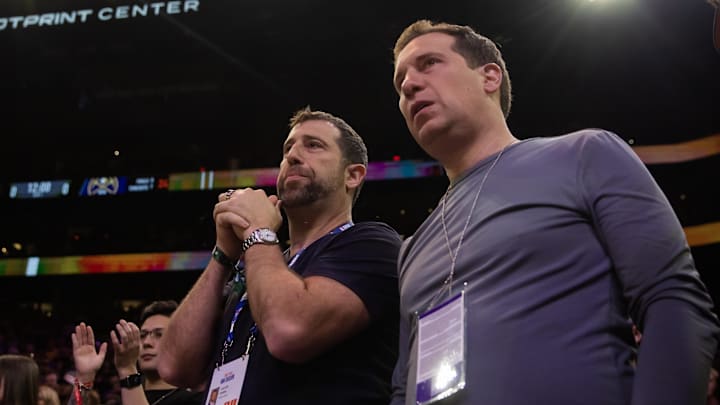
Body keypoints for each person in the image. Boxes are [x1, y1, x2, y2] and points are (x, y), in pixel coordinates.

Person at [390, 19, 719, 405]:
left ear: (490, 77)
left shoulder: (583, 154)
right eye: (400, 82)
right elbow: (403, 386)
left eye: (429, 63)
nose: (409, 84)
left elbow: (671, 297)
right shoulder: (411, 249)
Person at [158, 108, 402, 404]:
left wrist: (258, 231)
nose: (293, 156)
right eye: (288, 148)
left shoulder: (372, 243)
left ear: (352, 175)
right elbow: (174, 367)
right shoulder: (262, 265)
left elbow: (289, 331)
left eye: (313, 145)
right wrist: (223, 255)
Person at [70, 300, 203, 405]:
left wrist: (128, 370)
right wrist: (84, 378)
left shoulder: (197, 400)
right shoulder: (120, 398)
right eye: (143, 335)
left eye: (159, 334)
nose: (146, 342)